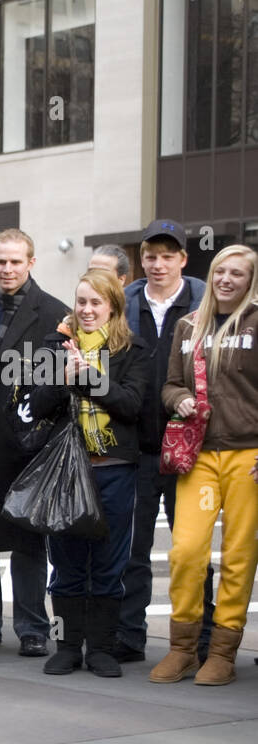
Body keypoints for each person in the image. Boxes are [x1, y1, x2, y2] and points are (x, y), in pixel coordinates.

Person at [30, 270, 149, 677]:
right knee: (65, 564)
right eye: (81, 301)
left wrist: (90, 378)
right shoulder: (56, 346)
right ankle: (66, 646)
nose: (86, 310)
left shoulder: (133, 350)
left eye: (96, 302)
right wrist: (63, 380)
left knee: (108, 563)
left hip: (113, 468)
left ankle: (100, 648)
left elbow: (132, 405)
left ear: (113, 306)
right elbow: (35, 405)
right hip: (65, 470)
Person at [152, 245, 258, 686]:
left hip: (247, 454)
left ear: (250, 280)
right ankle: (182, 649)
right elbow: (171, 385)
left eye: (237, 273)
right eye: (220, 271)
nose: (226, 279)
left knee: (238, 556)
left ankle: (223, 653)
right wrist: (180, 400)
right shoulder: (188, 325)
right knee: (186, 553)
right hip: (198, 453)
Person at [0, 229, 68, 658]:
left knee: (27, 538)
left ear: (31, 262)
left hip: (27, 441)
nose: (8, 269)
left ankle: (32, 627)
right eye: (1, 261)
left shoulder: (55, 314)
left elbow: (59, 383)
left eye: (16, 261)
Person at [116, 219, 209, 663]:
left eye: (167, 256)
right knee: (131, 551)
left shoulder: (204, 301)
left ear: (183, 260)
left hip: (189, 449)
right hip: (135, 448)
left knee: (190, 550)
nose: (157, 264)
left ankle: (203, 640)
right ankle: (129, 637)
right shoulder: (126, 300)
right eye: (150, 256)